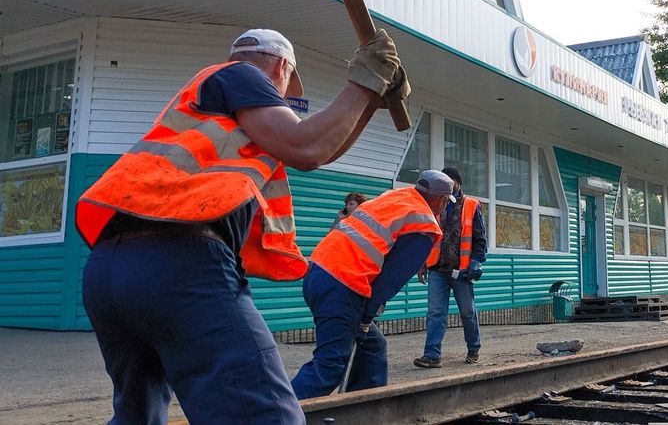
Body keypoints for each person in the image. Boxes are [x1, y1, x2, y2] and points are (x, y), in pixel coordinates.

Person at [76, 28, 408, 424]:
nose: (282, 99)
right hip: (179, 263)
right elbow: (306, 146)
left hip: (110, 270)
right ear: (281, 68)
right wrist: (365, 79)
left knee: (138, 416)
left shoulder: (211, 108)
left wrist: (370, 97)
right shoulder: (242, 74)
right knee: (268, 416)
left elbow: (321, 148)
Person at [292, 171, 453, 398]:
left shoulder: (394, 197)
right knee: (330, 364)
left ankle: (363, 407)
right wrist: (367, 316)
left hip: (318, 272)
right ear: (441, 200)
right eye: (446, 202)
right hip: (343, 285)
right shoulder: (424, 223)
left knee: (372, 347)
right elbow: (392, 278)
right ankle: (278, 412)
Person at [414, 166, 489, 368]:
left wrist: (476, 261)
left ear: (458, 182)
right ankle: (432, 355)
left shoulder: (472, 205)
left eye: (449, 180)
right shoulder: (436, 202)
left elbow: (480, 239)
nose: (445, 183)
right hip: (437, 268)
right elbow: (428, 236)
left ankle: (473, 348)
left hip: (461, 270)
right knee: (435, 313)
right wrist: (422, 264)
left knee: (467, 312)